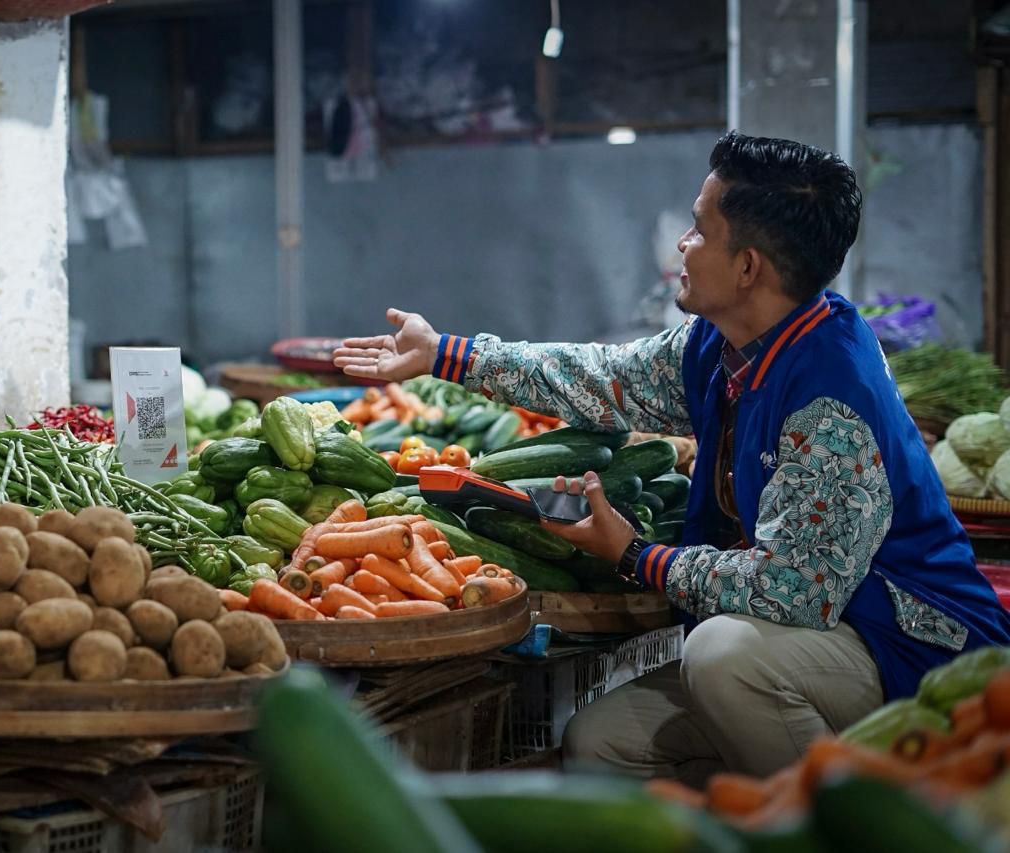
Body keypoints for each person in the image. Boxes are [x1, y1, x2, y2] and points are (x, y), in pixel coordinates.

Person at [334, 131, 1010, 785]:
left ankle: (855, 824)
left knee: (721, 659)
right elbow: (600, 378)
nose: (683, 246)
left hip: (907, 646)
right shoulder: (724, 345)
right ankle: (764, 813)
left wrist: (634, 553)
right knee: (602, 743)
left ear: (748, 268)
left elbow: (794, 592)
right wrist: (445, 353)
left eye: (698, 230)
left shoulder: (830, 399)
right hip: (823, 638)